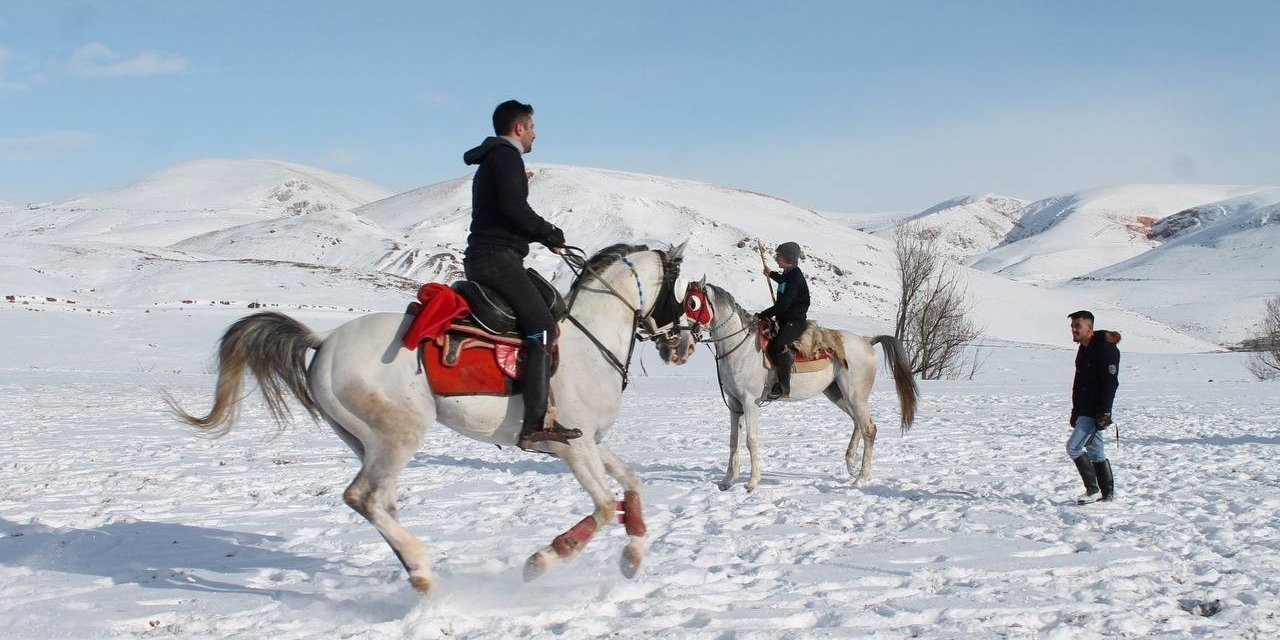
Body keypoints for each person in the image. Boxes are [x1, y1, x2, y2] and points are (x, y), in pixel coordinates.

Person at [462, 99, 580, 446]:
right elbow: (515, 208)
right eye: (532, 127)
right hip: (496, 258)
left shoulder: (497, 159)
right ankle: (535, 422)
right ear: (519, 128)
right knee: (543, 326)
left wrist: (540, 236)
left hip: (494, 255)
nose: (534, 134)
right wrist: (549, 233)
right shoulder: (506, 157)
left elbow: (506, 211)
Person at [1066, 310, 1121, 503]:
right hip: (1084, 409)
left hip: (1095, 411)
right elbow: (1079, 382)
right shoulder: (1084, 348)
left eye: (1077, 326)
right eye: (1072, 326)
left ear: (1090, 328)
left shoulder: (1105, 349)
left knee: (1073, 447)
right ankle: (1108, 494)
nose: (1073, 330)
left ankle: (1093, 489)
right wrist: (1075, 410)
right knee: (1096, 452)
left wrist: (1105, 411)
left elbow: (1110, 383)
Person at [757, 241, 811, 400]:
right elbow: (783, 283)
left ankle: (784, 387)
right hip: (785, 319)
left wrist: (762, 315)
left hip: (795, 321)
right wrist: (771, 274)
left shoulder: (795, 276)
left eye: (778, 255)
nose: (775, 257)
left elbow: (782, 306)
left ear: (787, 257)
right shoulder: (788, 274)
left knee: (780, 345)